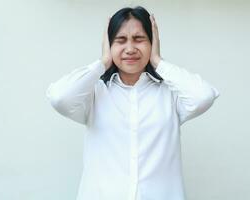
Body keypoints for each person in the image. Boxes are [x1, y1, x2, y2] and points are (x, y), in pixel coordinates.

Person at [46, 6, 219, 200]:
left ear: (152, 43)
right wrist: (103, 61)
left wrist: (158, 61)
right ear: (108, 44)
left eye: (139, 39)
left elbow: (204, 96)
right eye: (120, 40)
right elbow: (59, 97)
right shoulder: (95, 93)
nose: (130, 49)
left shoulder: (170, 94)